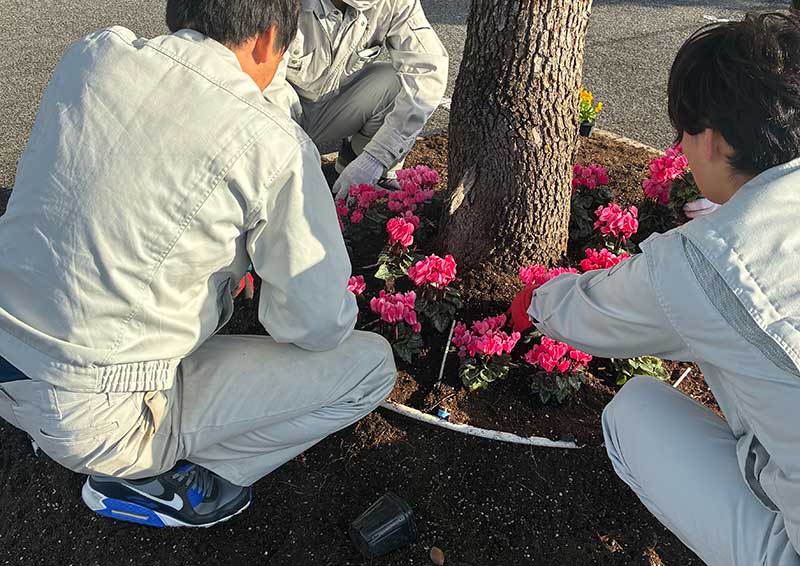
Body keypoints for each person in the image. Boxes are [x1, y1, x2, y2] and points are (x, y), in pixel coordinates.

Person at [0, 0, 396, 528]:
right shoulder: (274, 144)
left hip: (10, 351)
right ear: (268, 36)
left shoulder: (93, 55)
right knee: (370, 368)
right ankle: (154, 480)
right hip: (92, 414)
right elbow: (316, 324)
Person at [510, 12, 800, 566]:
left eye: (682, 134)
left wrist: (535, 302)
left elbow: (591, 312)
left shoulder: (705, 262)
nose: (682, 151)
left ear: (711, 139)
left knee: (632, 410)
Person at [264, 0, 448, 199]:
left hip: (332, 106)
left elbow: (428, 70)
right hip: (280, 110)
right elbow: (266, 85)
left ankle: (356, 165)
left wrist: (375, 158)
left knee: (395, 84)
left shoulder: (394, 2)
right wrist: (296, 159)